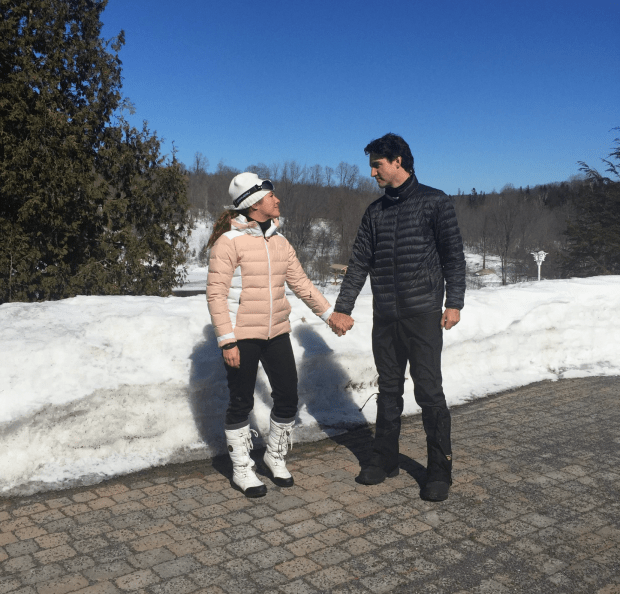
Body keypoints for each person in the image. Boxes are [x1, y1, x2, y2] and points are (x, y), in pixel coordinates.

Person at [328, 133, 465, 502]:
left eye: (377, 165)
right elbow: (359, 263)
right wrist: (343, 307)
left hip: (422, 316)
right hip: (386, 316)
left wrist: (454, 303)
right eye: (372, 166)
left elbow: (453, 257)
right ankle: (384, 459)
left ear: (398, 161)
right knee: (389, 389)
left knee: (429, 392)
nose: (372, 172)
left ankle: (439, 469)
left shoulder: (435, 202)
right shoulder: (375, 212)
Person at [207, 172, 335, 498]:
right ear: (254, 204)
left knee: (288, 397)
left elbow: (301, 284)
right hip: (241, 336)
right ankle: (242, 469)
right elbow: (216, 295)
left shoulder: (280, 243)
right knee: (241, 402)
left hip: (276, 332)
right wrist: (226, 340)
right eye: (270, 196)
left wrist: (329, 315)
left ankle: (274, 456)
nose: (277, 200)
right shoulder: (228, 243)